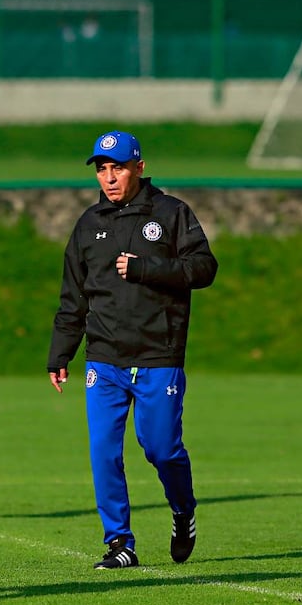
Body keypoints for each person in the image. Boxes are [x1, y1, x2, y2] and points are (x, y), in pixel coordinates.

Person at [47, 130, 218, 569]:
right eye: (102, 168)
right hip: (103, 358)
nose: (109, 177)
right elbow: (74, 295)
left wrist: (148, 269)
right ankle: (120, 543)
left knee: (160, 448)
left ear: (139, 168)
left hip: (157, 355)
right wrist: (61, 353)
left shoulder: (171, 213)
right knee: (104, 452)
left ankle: (183, 511)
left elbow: (204, 267)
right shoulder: (88, 224)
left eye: (118, 167)